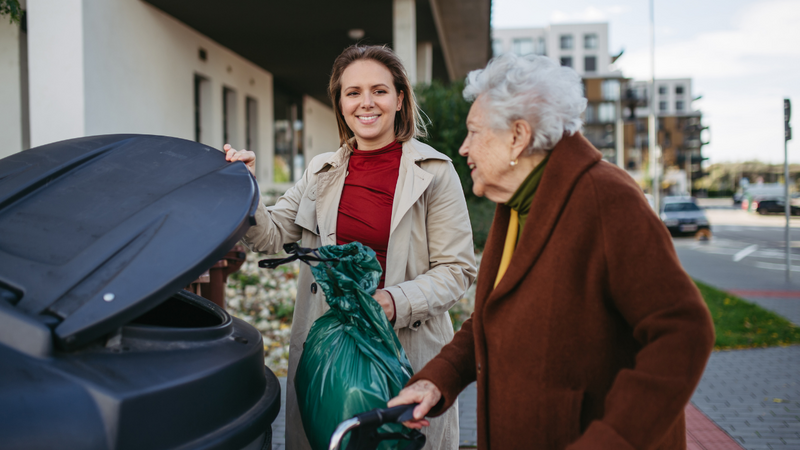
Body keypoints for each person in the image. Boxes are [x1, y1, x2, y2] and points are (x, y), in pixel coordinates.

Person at [388, 53, 715, 449]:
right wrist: (436, 380)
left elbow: (683, 332)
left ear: (518, 136)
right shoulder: (517, 202)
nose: (463, 148)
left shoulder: (605, 197)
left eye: (474, 133)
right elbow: (492, 318)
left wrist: (611, 440)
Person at [224, 45, 476, 450]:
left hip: (404, 350)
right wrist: (245, 186)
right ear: (340, 103)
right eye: (352, 92)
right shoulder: (321, 172)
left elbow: (456, 269)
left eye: (379, 90)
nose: (366, 103)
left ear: (399, 99)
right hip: (329, 350)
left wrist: (392, 302)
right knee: (332, 439)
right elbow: (270, 235)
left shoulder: (434, 173)